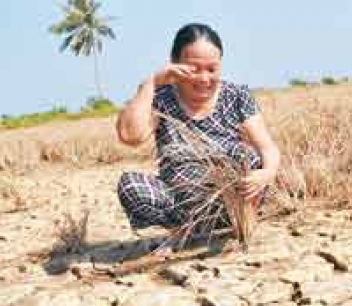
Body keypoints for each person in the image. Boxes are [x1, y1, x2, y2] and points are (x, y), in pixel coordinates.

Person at [115, 23, 280, 252]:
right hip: (179, 205)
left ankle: (241, 227)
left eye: (212, 69)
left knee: (250, 157)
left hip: (231, 205)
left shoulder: (236, 96)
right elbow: (130, 136)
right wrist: (150, 83)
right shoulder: (160, 99)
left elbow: (267, 147)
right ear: (174, 63)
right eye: (194, 69)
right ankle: (185, 231)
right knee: (130, 185)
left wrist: (267, 172)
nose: (204, 79)